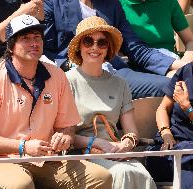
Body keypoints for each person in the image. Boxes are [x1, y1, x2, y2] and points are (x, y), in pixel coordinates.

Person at [0, 14, 112, 189]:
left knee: (101, 177)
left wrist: (65, 136)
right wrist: (23, 146)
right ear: (11, 46)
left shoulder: (57, 75)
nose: (34, 43)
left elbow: (68, 126)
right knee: (20, 185)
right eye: (25, 38)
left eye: (37, 37)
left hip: (46, 160)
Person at [66, 16, 157, 189]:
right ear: (79, 47)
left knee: (140, 174)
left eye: (102, 43)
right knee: (122, 173)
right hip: (80, 154)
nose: (95, 47)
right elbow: (64, 136)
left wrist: (127, 144)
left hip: (115, 151)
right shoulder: (66, 81)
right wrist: (97, 143)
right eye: (88, 41)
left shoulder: (120, 83)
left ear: (108, 49)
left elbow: (131, 132)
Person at [44, 0, 193, 99]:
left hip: (114, 71)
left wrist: (184, 66)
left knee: (175, 85)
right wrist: (69, 66)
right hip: (75, 74)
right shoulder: (52, 4)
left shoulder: (111, 3)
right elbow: (46, 50)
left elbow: (135, 48)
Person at [145, 63, 193, 189]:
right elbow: (163, 108)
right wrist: (167, 135)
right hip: (167, 152)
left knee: (190, 168)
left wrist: (187, 107)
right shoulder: (188, 71)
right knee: (187, 152)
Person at [120, 0, 193, 63]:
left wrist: (187, 59)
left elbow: (190, 41)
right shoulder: (118, 5)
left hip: (172, 60)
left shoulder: (168, 2)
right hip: (136, 66)